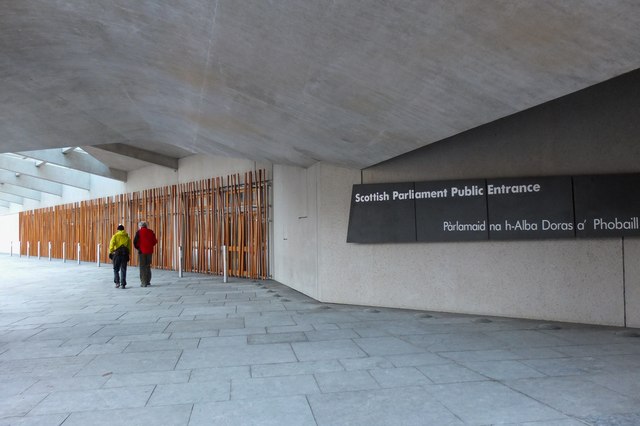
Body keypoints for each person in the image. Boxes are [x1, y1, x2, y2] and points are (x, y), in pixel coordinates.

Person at [133, 221, 157, 287]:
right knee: (148, 266)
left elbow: (135, 242)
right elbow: (154, 241)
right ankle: (148, 281)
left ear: (140, 226)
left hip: (142, 251)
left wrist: (138, 248)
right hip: (149, 251)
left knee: (142, 267)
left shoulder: (138, 232)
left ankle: (144, 283)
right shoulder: (151, 232)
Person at [109, 224, 132, 289]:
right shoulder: (127, 236)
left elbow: (111, 244)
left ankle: (117, 283)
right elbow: (129, 246)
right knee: (123, 269)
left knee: (116, 269)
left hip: (117, 254)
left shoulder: (115, 236)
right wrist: (129, 254)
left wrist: (111, 251)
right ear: (123, 229)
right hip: (124, 254)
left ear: (118, 230)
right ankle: (123, 284)